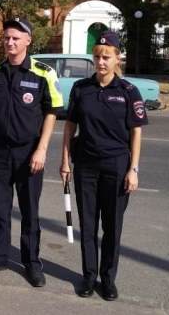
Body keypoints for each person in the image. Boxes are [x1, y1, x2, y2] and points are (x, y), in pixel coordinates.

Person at [0, 17, 63, 287]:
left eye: (16, 38)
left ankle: (31, 263)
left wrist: (42, 149)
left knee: (29, 211)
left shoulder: (43, 73)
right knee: (0, 209)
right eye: (7, 38)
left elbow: (51, 113)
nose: (10, 42)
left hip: (29, 152)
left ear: (28, 40)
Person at [59, 31, 146, 301]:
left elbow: (136, 133)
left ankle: (108, 279)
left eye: (106, 57)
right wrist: (64, 161)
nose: (101, 62)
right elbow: (70, 127)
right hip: (85, 165)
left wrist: (134, 169)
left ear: (118, 58)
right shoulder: (81, 89)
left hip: (116, 166)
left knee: (112, 226)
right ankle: (88, 276)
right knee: (88, 225)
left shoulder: (129, 92)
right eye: (97, 56)